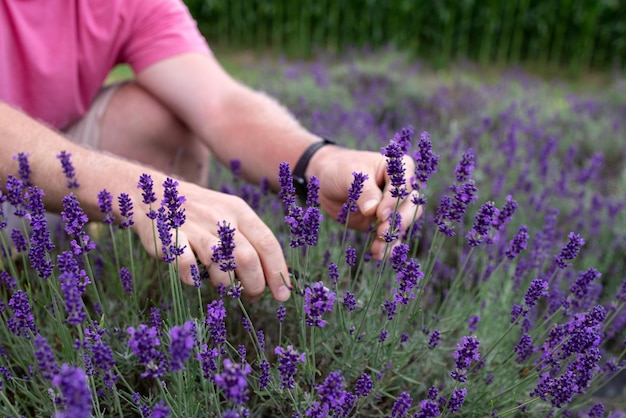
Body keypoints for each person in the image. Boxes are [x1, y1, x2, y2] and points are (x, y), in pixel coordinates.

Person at [0, 0, 420, 302]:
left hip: (45, 138)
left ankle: (119, 287)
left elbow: (219, 105)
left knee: (161, 121)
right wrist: (143, 192)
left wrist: (319, 160)